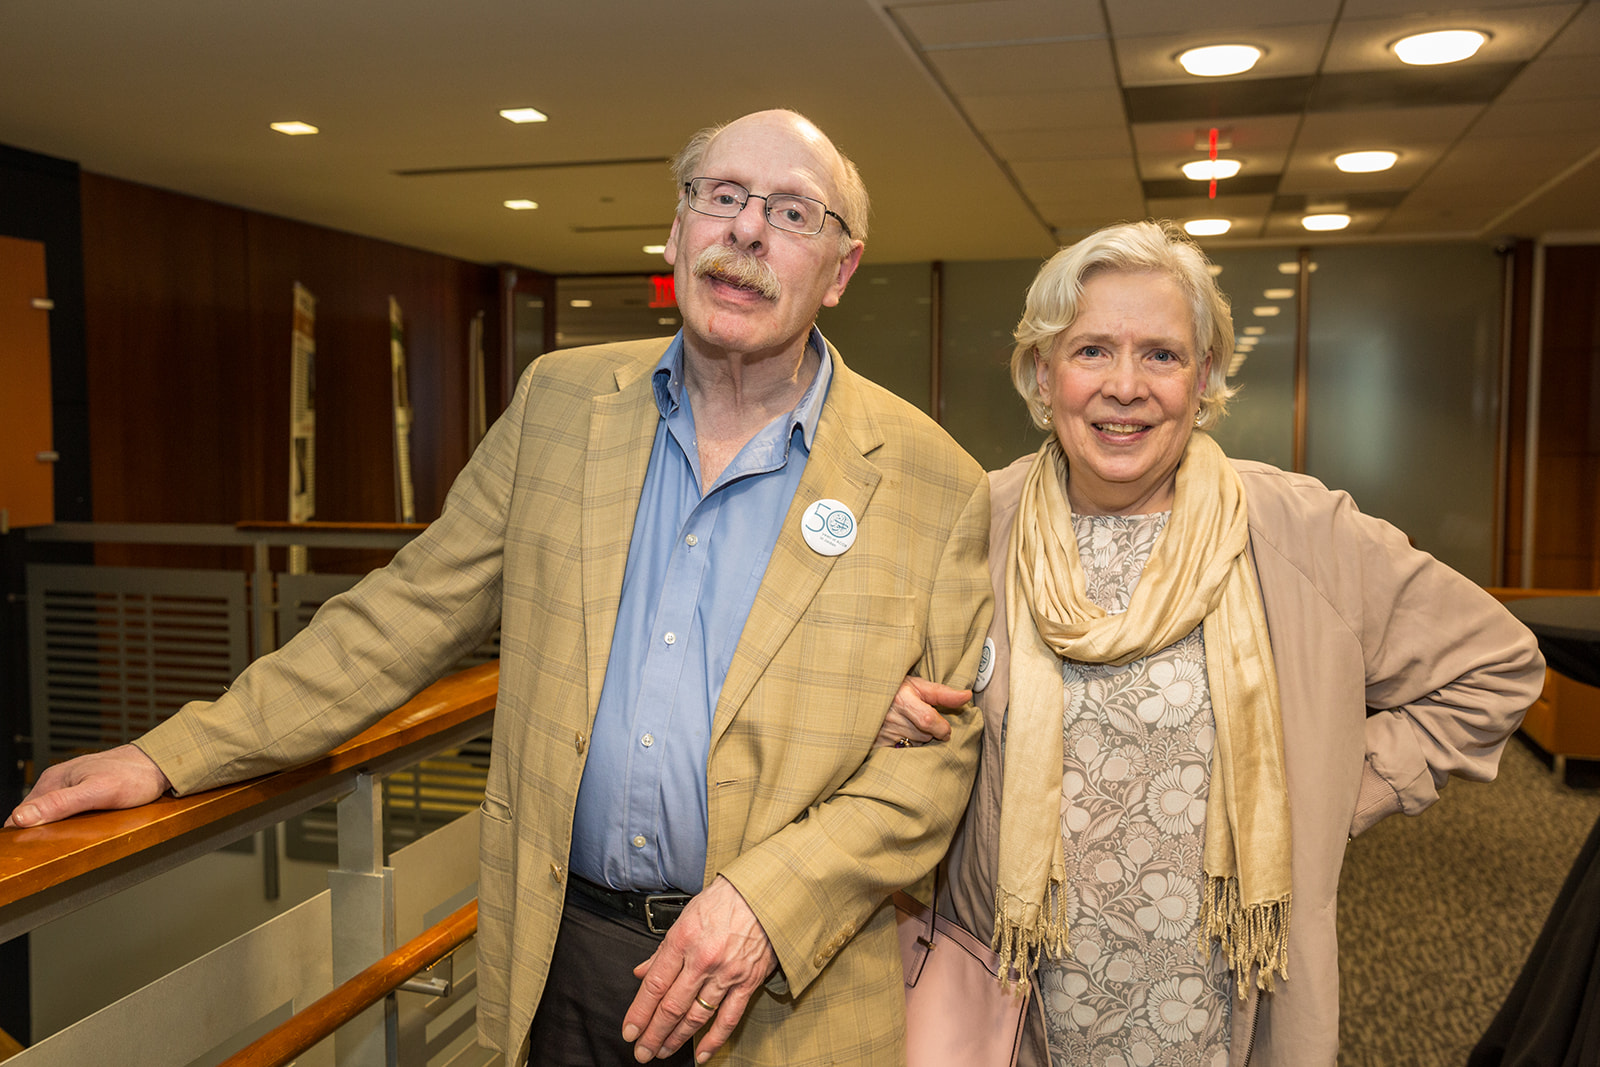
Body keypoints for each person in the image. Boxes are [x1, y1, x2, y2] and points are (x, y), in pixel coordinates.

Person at [5, 110, 993, 1067]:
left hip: (784, 987)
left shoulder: (930, 478)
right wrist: (174, 753)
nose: (746, 231)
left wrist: (766, 903)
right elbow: (406, 611)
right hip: (563, 954)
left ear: (840, 269)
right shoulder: (560, 404)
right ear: (677, 228)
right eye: (722, 195)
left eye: (791, 212)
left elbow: (936, 767)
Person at [880, 220, 1544, 1066]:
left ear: (1204, 378)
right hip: (1012, 1003)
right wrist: (884, 711)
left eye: (1160, 354)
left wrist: (1342, 790)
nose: (1126, 386)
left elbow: (1496, 666)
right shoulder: (975, 526)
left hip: (1220, 1007)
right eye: (1091, 351)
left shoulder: (1299, 530)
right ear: (1043, 374)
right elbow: (867, 693)